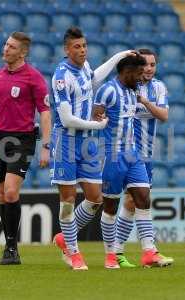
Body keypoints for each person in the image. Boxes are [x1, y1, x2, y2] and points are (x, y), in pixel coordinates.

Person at [50, 26, 135, 271]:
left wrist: (119, 56)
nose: (82, 50)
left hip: (87, 142)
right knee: (67, 200)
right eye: (77, 47)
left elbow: (95, 78)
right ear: (67, 50)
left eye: (85, 46)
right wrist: (96, 126)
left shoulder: (85, 68)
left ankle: (64, 238)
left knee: (95, 198)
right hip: (66, 140)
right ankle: (74, 254)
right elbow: (66, 119)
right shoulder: (60, 76)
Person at [92, 54, 170, 269]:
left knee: (143, 198)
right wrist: (101, 122)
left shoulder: (134, 91)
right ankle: (111, 255)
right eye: (137, 72)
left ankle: (148, 252)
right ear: (126, 72)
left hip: (133, 155)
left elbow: (160, 115)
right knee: (110, 207)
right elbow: (95, 117)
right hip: (113, 156)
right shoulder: (108, 90)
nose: (141, 76)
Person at [0, 32, 51, 265]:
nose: (5, 49)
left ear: (22, 52)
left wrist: (46, 146)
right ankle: (10, 249)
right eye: (5, 45)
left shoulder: (34, 77)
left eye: (11, 46)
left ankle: (12, 249)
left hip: (23, 139)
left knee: (10, 192)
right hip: (0, 138)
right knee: (1, 194)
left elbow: (45, 112)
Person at [113, 48, 174, 267]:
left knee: (131, 201)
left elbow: (164, 116)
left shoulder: (158, 87)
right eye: (145, 65)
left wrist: (145, 102)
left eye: (152, 65)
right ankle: (147, 251)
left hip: (147, 154)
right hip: (127, 152)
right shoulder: (128, 85)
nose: (148, 69)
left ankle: (117, 252)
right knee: (134, 199)